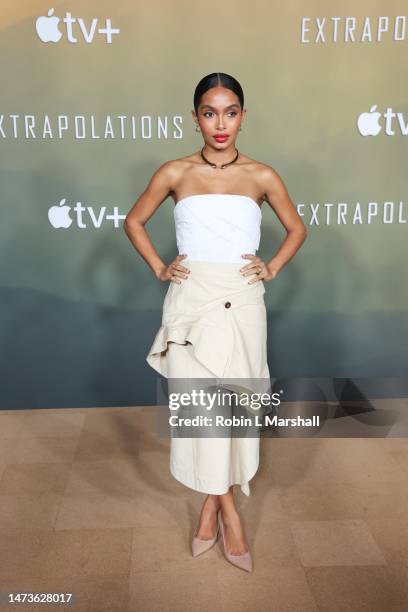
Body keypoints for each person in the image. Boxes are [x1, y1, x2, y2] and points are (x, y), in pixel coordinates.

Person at [124, 72, 307, 572]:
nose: (220, 123)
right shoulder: (175, 172)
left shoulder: (263, 176)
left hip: (243, 301)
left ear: (243, 116)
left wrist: (271, 265)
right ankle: (230, 513)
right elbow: (132, 221)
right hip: (190, 301)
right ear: (196, 117)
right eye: (210, 112)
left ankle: (211, 506)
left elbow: (296, 229)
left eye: (230, 112)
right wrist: (161, 267)